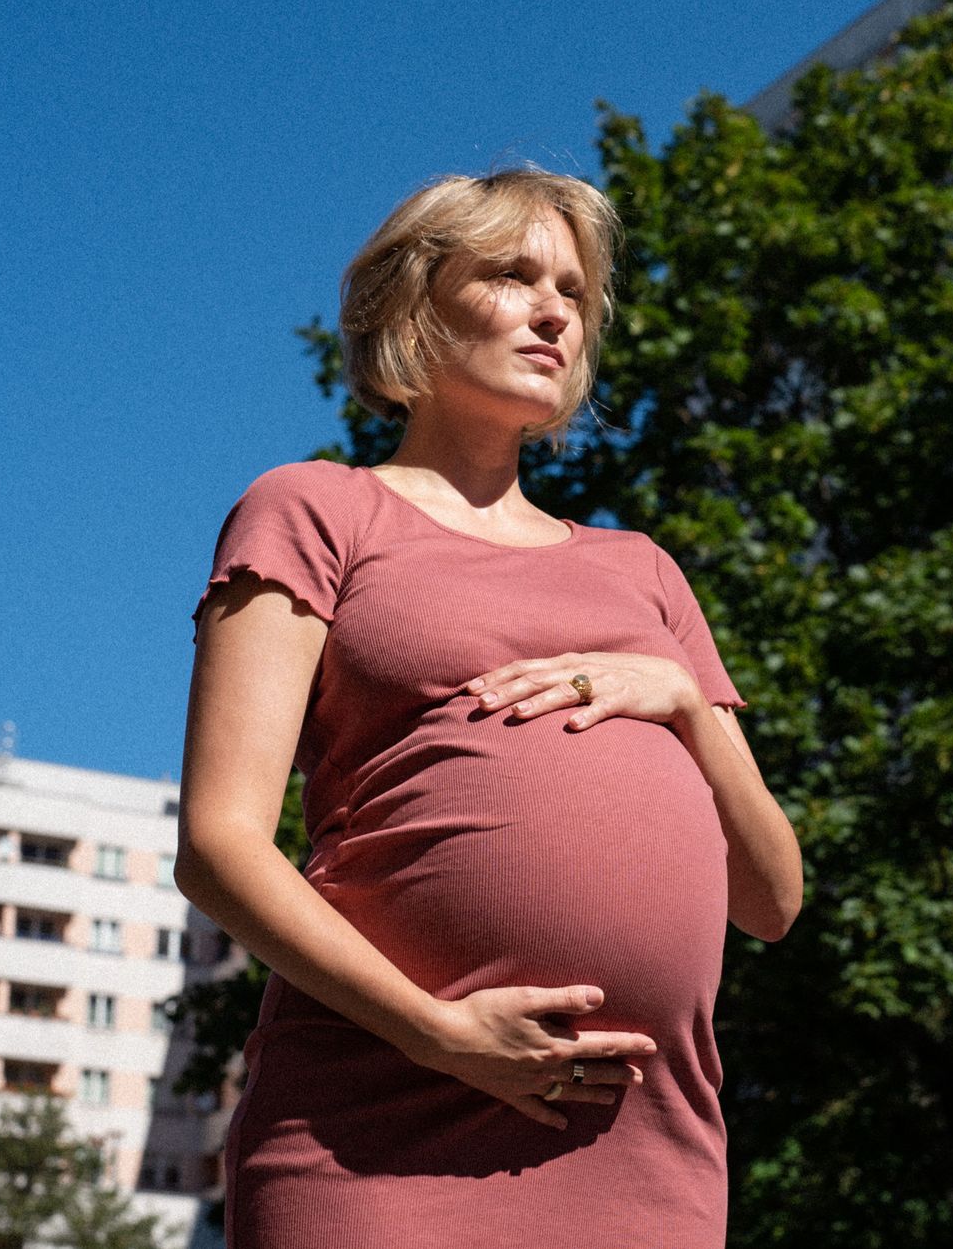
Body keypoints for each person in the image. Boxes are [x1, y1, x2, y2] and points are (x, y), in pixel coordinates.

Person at [176, 166, 803, 1248]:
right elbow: (219, 845)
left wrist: (686, 704)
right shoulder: (316, 510)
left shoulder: (644, 571)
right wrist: (439, 1033)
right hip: (378, 1126)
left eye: (575, 291)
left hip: (638, 1149)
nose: (554, 310)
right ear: (413, 304)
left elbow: (772, 898)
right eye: (513, 275)